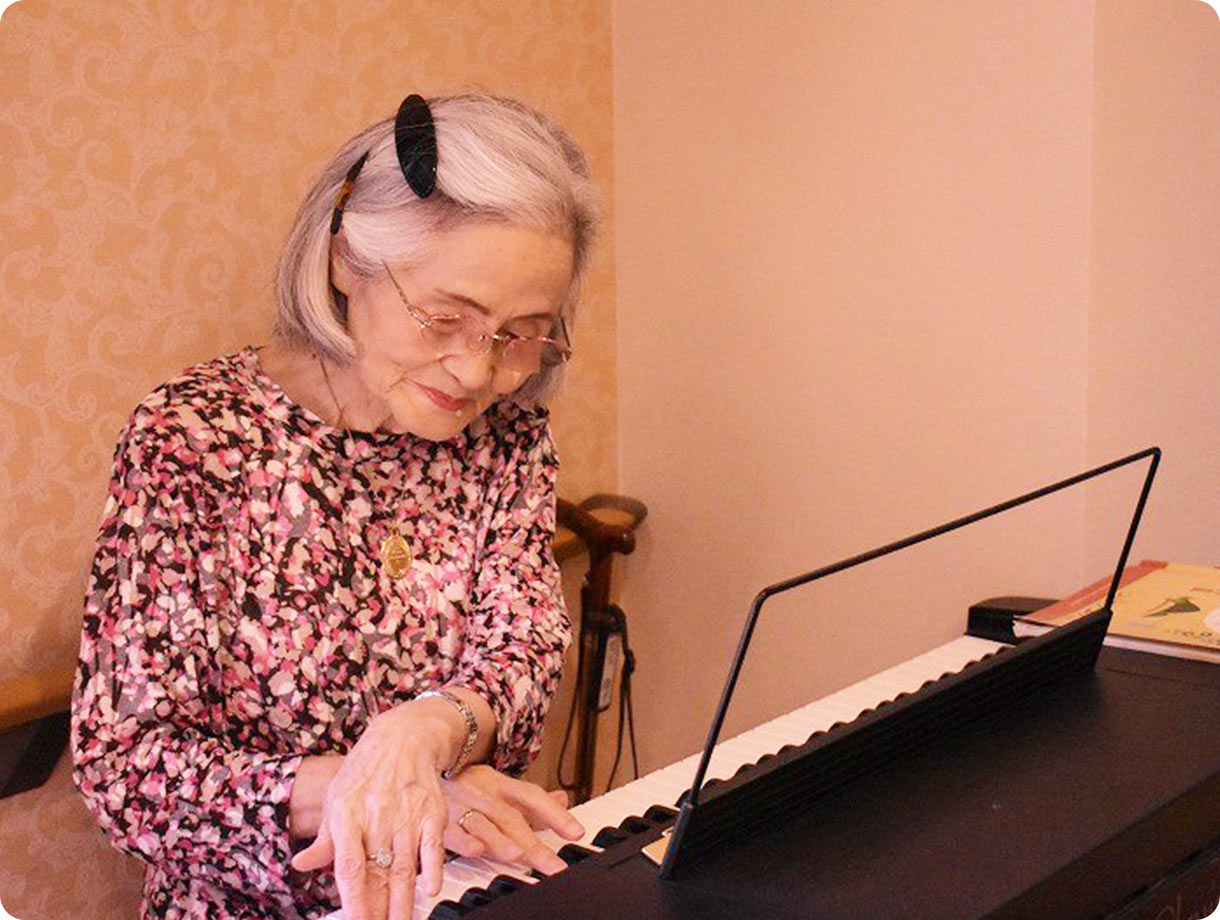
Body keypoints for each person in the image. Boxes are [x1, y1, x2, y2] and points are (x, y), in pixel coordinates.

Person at [71, 92, 597, 920]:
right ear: (346, 259)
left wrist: (426, 731)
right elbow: (127, 773)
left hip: (448, 891)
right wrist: (376, 788)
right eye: (444, 318)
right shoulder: (195, 438)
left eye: (522, 332)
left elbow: (521, 653)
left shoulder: (507, 435)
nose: (477, 371)